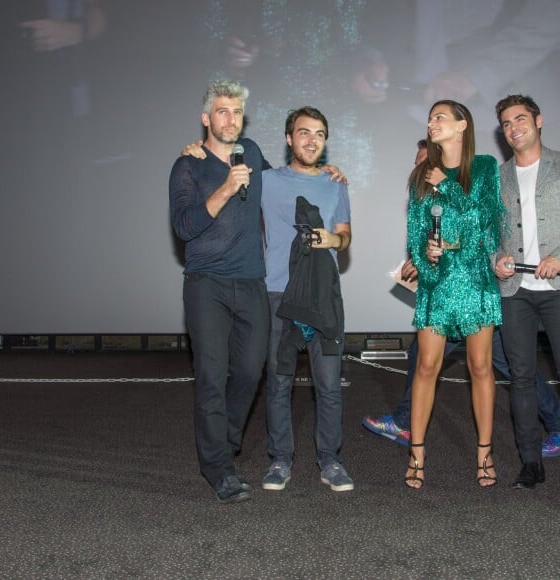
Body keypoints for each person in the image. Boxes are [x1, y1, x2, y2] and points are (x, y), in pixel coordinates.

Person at [364, 138, 560, 458]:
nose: (421, 169)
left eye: (426, 162)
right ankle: (405, 422)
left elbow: (479, 231)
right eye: (418, 163)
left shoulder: (473, 183)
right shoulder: (427, 197)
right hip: (443, 299)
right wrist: (422, 257)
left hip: (475, 296)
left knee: (504, 365)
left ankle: (553, 424)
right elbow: (425, 238)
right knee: (430, 360)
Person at [168, 80, 271, 504]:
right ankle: (217, 467)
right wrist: (226, 187)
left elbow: (282, 188)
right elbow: (184, 227)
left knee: (249, 371)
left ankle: (223, 444)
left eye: (237, 111)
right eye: (223, 111)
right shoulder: (187, 166)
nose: (231, 119)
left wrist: (327, 172)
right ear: (206, 118)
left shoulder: (254, 152)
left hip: (250, 281)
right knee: (211, 376)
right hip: (206, 283)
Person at [405, 100, 505, 489]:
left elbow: (485, 227)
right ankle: (416, 453)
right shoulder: (418, 175)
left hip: (476, 280)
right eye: (430, 118)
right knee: (426, 367)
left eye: (440, 117)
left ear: (462, 125)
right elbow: (414, 236)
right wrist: (426, 256)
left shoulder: (483, 167)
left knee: (481, 368)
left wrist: (445, 184)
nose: (432, 123)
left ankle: (484, 453)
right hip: (436, 283)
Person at [260, 107, 353, 492]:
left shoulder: (336, 185)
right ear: (288, 139)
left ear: (325, 141)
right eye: (303, 132)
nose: (311, 139)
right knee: (279, 381)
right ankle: (280, 460)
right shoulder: (265, 181)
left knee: (328, 384)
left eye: (318, 134)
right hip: (278, 294)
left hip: (323, 297)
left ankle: (330, 461)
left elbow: (346, 236)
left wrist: (334, 239)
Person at [493, 94, 560, 490]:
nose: (514, 127)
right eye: (506, 123)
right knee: (520, 378)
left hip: (556, 288)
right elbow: (488, 234)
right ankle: (530, 462)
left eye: (520, 118)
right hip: (514, 290)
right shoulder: (497, 177)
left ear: (538, 120)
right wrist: (496, 257)